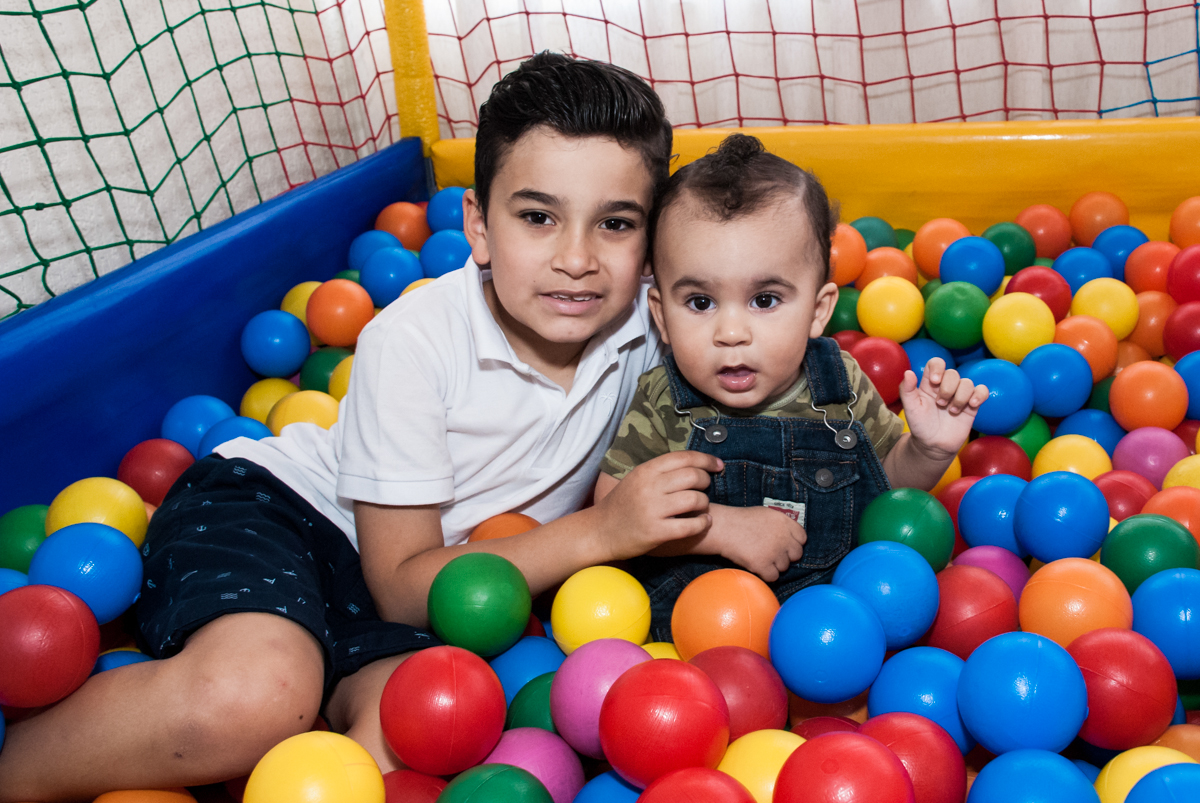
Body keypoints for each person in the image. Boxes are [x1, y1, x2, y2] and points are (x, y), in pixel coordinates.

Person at [0, 53, 723, 803]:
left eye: (615, 223)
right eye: (537, 217)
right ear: (476, 224)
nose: (576, 259)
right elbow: (404, 588)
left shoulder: (651, 324)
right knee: (255, 700)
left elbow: (755, 331)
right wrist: (606, 533)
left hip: (451, 580)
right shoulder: (413, 340)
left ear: (650, 243)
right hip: (285, 514)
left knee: (414, 737)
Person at [596, 134, 988, 641]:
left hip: (837, 629)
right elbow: (614, 513)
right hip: (698, 635)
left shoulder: (839, 385)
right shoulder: (663, 397)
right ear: (662, 317)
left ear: (818, 310)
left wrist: (928, 450)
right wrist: (719, 527)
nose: (731, 333)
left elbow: (886, 490)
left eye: (764, 300)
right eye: (699, 302)